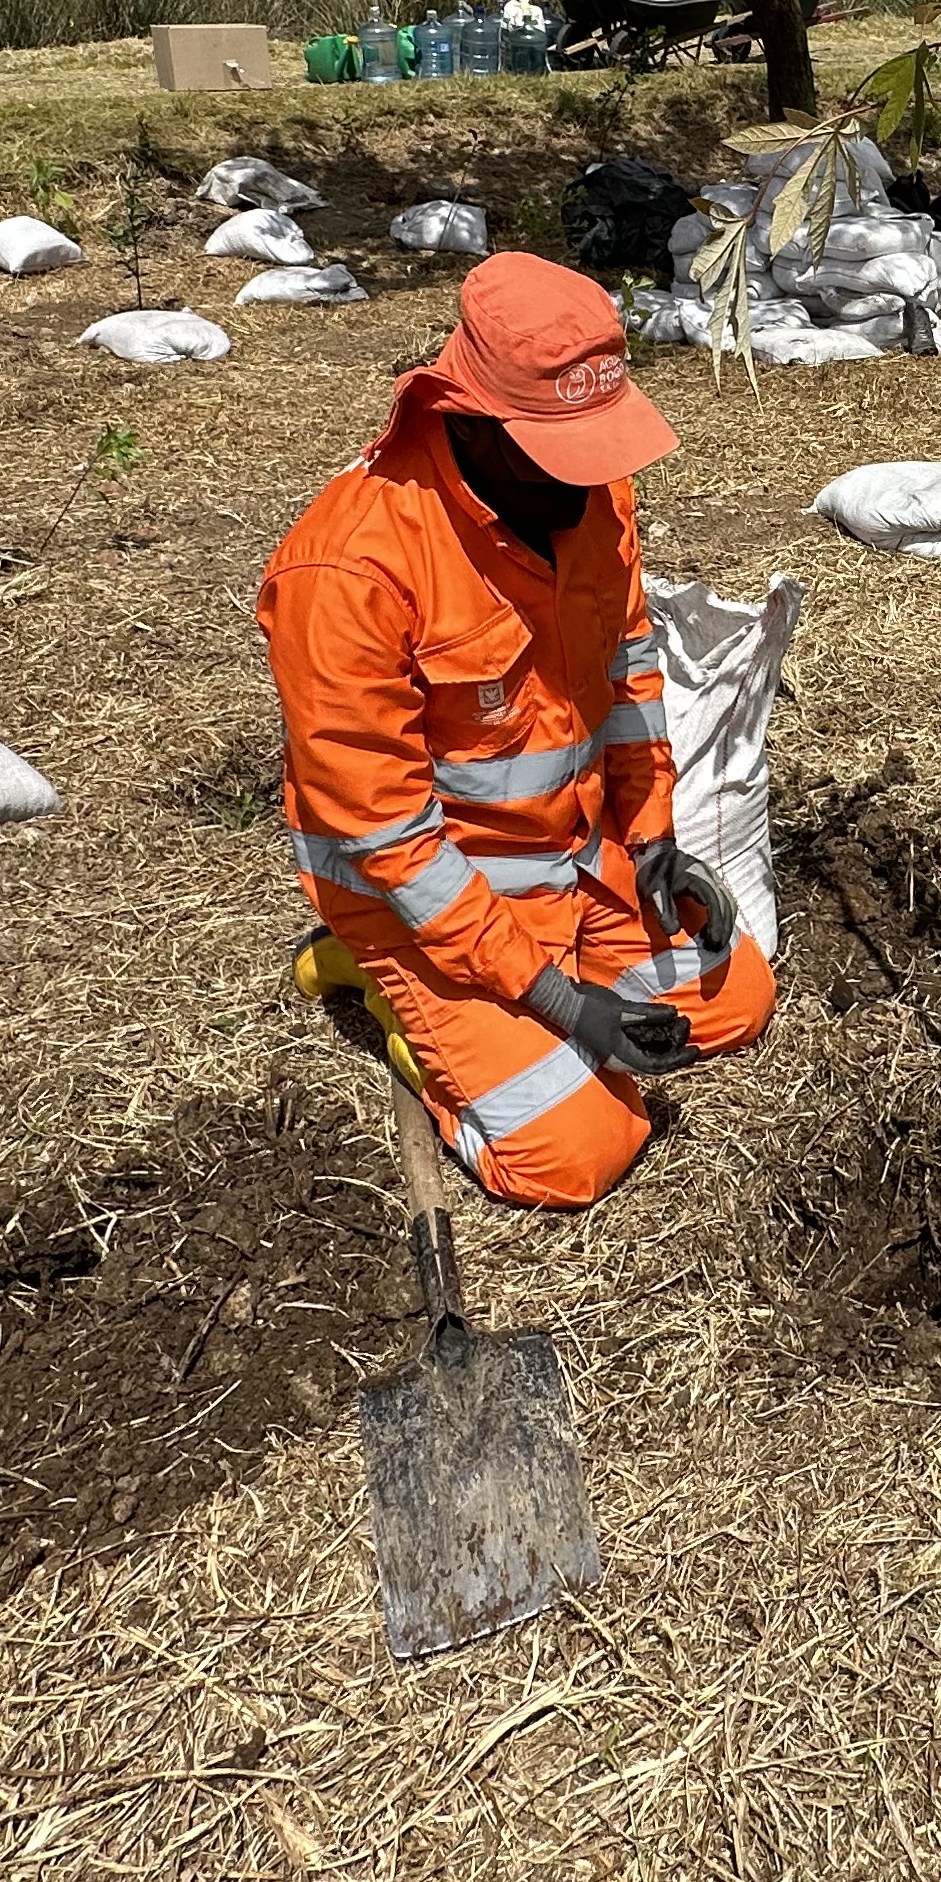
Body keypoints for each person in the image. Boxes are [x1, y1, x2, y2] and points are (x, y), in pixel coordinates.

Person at [261, 252, 773, 1206]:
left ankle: (520, 1000)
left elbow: (626, 668)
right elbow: (390, 842)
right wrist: (559, 1001)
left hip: (568, 858)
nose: (591, 483)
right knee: (576, 1154)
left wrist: (651, 837)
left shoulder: (593, 496)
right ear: (471, 420)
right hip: (426, 905)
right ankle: (378, 983)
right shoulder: (347, 573)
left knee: (737, 1004)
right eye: (561, 453)